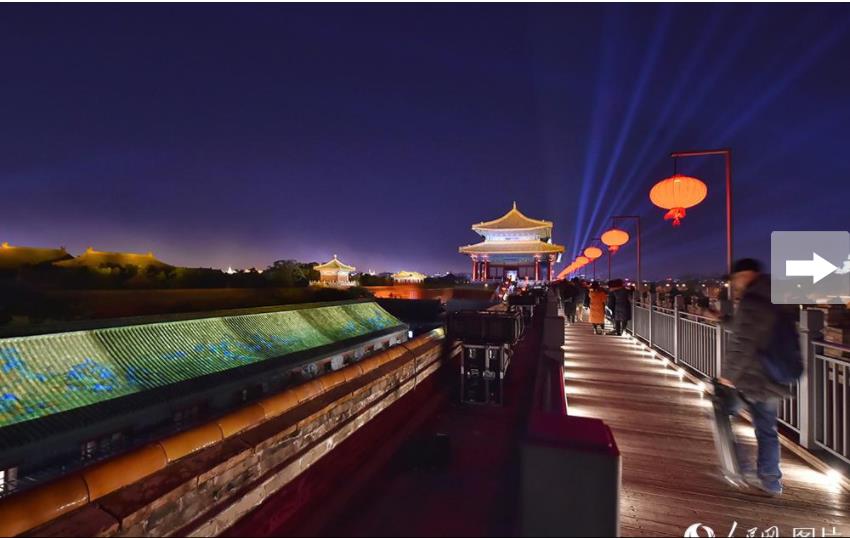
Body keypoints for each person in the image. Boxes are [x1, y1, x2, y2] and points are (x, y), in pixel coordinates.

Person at [719, 258, 799, 497]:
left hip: (752, 376)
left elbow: (744, 341)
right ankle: (771, 480)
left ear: (745, 275)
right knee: (767, 429)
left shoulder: (753, 300)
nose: (734, 284)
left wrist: (727, 376)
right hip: (772, 375)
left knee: (722, 412)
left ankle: (738, 467)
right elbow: (753, 328)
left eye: (735, 279)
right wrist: (723, 320)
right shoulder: (774, 297)